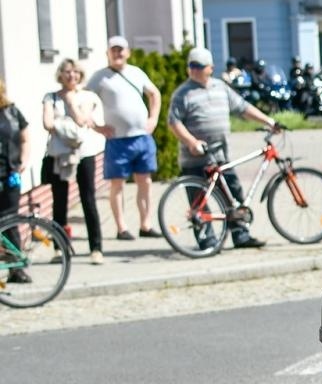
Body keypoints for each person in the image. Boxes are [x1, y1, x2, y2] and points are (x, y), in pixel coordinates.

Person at [166, 47, 279, 250]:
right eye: (191, 66)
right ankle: (207, 240)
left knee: (233, 194)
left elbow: (243, 108)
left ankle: (240, 234)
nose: (194, 70)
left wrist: (269, 121)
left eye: (199, 66)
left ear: (210, 68)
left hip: (220, 156)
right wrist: (191, 142)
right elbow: (174, 122)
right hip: (195, 157)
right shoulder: (183, 93)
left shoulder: (220, 87)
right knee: (198, 202)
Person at [84, 36, 162, 241]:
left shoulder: (136, 73)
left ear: (127, 52)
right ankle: (121, 227)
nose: (117, 54)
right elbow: (84, 102)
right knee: (117, 184)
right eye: (113, 50)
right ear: (108, 53)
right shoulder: (100, 77)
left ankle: (146, 224)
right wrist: (97, 127)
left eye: (121, 50)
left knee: (144, 181)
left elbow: (154, 94)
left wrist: (153, 118)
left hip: (141, 137)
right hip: (117, 140)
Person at [39, 58, 105, 265]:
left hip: (84, 153)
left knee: (88, 198)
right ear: (60, 75)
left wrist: (69, 103)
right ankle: (59, 248)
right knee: (60, 201)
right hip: (60, 156)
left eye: (75, 72)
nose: (71, 76)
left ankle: (96, 248)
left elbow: (82, 121)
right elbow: (47, 123)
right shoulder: (50, 97)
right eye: (67, 72)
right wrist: (64, 124)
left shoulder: (88, 96)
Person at [0, 77, 33, 284]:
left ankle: (16, 268)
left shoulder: (11, 111)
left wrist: (23, 161)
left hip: (10, 174)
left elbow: (25, 137)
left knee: (9, 221)